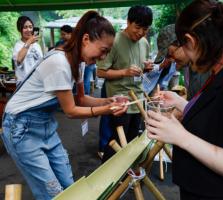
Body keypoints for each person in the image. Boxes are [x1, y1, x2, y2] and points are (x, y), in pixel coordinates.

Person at [1, 10, 127, 200]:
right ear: (86, 39)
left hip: (45, 125)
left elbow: (81, 100)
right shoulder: (59, 62)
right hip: (20, 127)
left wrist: (108, 101)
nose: (103, 57)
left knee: (69, 185)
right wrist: (107, 110)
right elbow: (70, 111)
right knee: (51, 192)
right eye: (104, 50)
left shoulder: (79, 62)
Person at [146, 0, 223, 199]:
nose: (188, 62)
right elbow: (222, 120)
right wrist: (183, 104)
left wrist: (180, 137)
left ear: (191, 41)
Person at [97, 5, 153, 162]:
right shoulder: (114, 41)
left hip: (138, 99)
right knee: (115, 142)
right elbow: (100, 72)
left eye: (145, 29)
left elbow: (141, 70)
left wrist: (146, 68)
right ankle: (108, 176)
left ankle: (126, 175)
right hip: (120, 100)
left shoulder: (144, 43)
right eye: (138, 27)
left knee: (132, 140)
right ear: (128, 22)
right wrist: (124, 72)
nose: (141, 33)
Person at [12, 16, 43, 84]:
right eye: (25, 27)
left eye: (30, 27)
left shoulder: (37, 45)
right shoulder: (18, 46)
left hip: (38, 83)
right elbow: (19, 60)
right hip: (24, 84)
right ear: (19, 29)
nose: (28, 30)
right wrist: (29, 42)